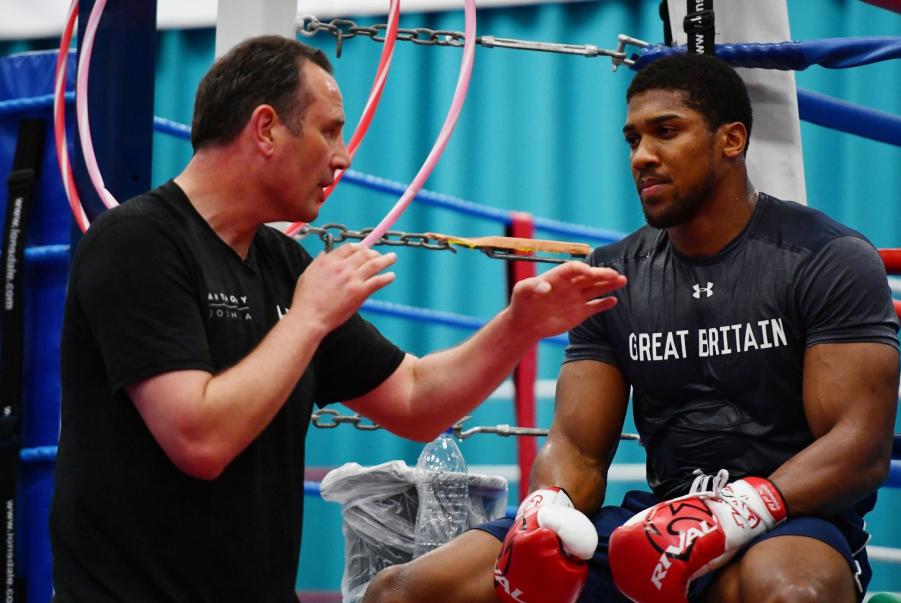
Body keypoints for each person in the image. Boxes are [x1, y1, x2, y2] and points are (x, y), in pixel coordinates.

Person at [50, 35, 626, 602]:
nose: (344, 154)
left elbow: (417, 401)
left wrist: (519, 325)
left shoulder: (281, 264)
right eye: (329, 129)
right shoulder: (138, 242)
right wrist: (307, 318)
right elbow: (199, 440)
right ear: (267, 128)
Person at [363, 53, 900, 603]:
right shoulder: (618, 275)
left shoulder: (826, 257)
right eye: (633, 140)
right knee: (402, 591)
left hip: (791, 519)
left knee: (790, 595)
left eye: (666, 132)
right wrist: (548, 509)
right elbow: (578, 446)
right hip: (657, 527)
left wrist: (731, 512)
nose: (642, 157)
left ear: (731, 140)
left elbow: (858, 445)